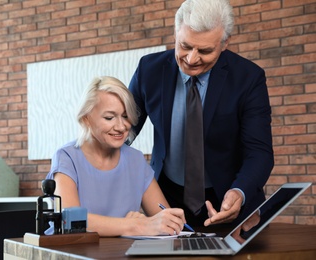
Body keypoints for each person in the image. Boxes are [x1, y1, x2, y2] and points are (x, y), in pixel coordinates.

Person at [128, 0, 274, 229]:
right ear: (176, 32)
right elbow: (124, 128)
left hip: (228, 205)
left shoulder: (248, 79)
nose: (191, 59)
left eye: (205, 51)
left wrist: (240, 191)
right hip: (166, 203)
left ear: (225, 43)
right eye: (185, 46)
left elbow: (259, 152)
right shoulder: (150, 70)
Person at [45, 76, 186, 237]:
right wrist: (135, 225)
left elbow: (169, 221)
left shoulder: (136, 160)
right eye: (109, 117)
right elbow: (71, 221)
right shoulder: (67, 156)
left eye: (125, 116)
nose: (121, 127)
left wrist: (153, 223)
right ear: (86, 118)